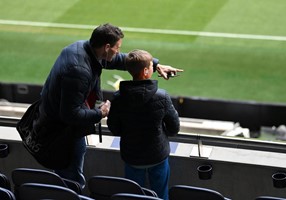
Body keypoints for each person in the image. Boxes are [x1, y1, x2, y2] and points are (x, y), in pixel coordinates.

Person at [34, 23, 183, 189]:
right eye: (117, 47)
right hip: (63, 132)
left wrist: (154, 65)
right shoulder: (79, 70)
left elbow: (121, 60)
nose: (119, 51)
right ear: (106, 47)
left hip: (60, 124)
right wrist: (100, 113)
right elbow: (69, 114)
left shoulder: (84, 49)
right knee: (71, 179)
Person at [107, 49, 180, 200]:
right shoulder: (162, 96)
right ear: (146, 71)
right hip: (157, 156)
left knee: (133, 196)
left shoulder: (118, 98)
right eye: (152, 66)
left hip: (132, 157)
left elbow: (114, 128)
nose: (154, 68)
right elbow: (174, 128)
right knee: (161, 196)